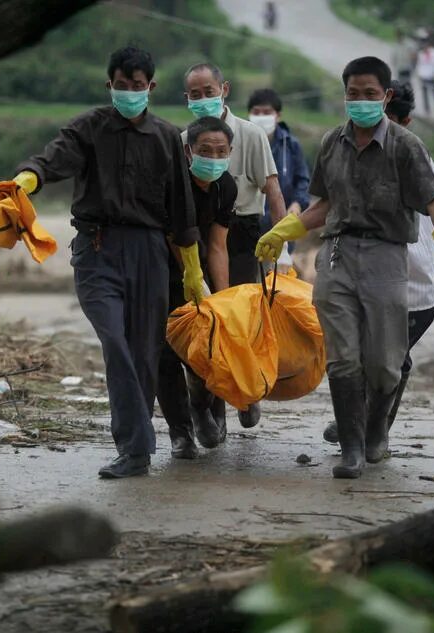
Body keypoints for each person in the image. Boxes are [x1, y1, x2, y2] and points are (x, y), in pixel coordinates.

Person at [255, 57, 434, 479]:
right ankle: (350, 449)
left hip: (388, 257)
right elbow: (323, 205)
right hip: (338, 255)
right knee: (343, 358)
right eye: (354, 93)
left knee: (385, 363)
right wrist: (284, 230)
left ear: (385, 97)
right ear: (345, 94)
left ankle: (375, 434)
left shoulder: (406, 146)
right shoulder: (333, 142)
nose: (361, 101)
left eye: (371, 94)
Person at [12, 46, 200, 479]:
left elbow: (181, 210)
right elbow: (55, 157)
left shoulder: (168, 137)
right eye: (121, 85)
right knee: (114, 341)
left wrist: (191, 268)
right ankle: (138, 442)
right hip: (97, 249)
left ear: (150, 87)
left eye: (138, 86)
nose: (129, 92)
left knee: (143, 352)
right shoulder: (89, 128)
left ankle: (134, 453)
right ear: (109, 85)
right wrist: (28, 179)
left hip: (150, 253)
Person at [321, 80, 434, 447]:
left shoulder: (409, 155)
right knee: (358, 355)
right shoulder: (348, 150)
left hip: (413, 283)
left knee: (392, 358)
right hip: (364, 274)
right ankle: (361, 428)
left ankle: (375, 430)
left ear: (402, 121)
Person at [182, 62, 287, 432]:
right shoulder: (185, 140)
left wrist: (281, 248)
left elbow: (272, 189)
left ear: (223, 89)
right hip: (195, 235)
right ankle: (211, 409)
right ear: (186, 98)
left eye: (209, 91)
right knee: (203, 325)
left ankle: (246, 391)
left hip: (243, 236)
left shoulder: (252, 134)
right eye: (195, 94)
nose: (203, 99)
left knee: (243, 322)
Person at [157, 116, 237, 459]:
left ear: (230, 151)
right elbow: (172, 233)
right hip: (162, 273)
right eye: (206, 150)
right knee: (165, 356)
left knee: (206, 350)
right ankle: (180, 433)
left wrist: (223, 298)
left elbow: (218, 246)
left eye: (221, 151)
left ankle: (202, 407)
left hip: (201, 271)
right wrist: (190, 274)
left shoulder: (226, 187)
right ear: (188, 152)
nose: (214, 157)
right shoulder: (171, 182)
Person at [246, 88, 311, 249]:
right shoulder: (240, 142)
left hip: (281, 224)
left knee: (279, 270)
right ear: (249, 114)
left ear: (278, 115)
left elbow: (302, 180)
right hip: (247, 225)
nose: (261, 117)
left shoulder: (291, 145)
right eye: (256, 112)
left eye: (267, 112)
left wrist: (297, 203)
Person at [416, 40, 434, 116]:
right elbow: (419, 64)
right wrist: (419, 74)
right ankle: (427, 110)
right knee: (425, 94)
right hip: (424, 76)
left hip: (433, 76)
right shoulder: (421, 54)